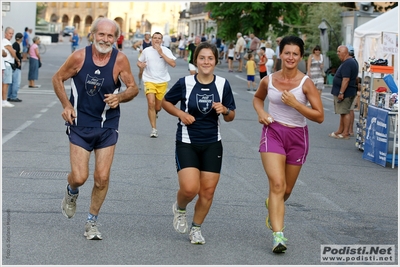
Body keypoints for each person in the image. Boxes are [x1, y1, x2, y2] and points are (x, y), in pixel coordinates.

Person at [52, 17, 139, 240]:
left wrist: (119, 97)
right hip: (80, 124)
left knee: (102, 177)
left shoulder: (120, 60)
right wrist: (66, 105)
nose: (105, 39)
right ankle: (72, 191)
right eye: (101, 34)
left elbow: (133, 89)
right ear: (93, 34)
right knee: (80, 177)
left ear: (116, 38)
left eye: (110, 35)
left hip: (107, 126)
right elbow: (58, 78)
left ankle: (92, 222)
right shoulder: (79, 57)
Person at [253, 36, 324, 253]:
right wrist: (262, 112)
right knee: (277, 184)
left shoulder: (306, 84)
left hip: (297, 137)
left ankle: (273, 205)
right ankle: (278, 236)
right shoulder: (269, 80)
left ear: (300, 57)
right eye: (287, 53)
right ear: (281, 54)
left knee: (287, 189)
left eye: (295, 53)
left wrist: (295, 104)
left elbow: (319, 116)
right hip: (273, 132)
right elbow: (257, 98)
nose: (291, 57)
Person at [162, 42, 236, 245]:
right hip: (187, 141)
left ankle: (196, 228)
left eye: (210, 58)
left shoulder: (222, 84)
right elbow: (166, 102)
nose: (206, 62)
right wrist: (181, 114)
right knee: (189, 189)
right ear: (196, 60)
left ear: (215, 61)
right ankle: (180, 207)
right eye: (202, 58)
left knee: (207, 192)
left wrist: (225, 110)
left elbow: (231, 116)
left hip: (213, 143)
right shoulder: (185, 82)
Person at [137, 32, 176, 138]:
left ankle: (156, 112)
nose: (157, 40)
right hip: (149, 80)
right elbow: (139, 62)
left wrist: (161, 53)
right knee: (151, 103)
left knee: (158, 107)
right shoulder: (146, 51)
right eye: (155, 38)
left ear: (162, 40)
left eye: (159, 38)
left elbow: (173, 64)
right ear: (152, 39)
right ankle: (154, 129)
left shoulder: (166, 51)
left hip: (162, 82)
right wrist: (141, 65)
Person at [328, 45, 358, 140]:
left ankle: (345, 133)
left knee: (345, 112)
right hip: (348, 91)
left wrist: (341, 92)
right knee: (342, 112)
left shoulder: (348, 63)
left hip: (346, 92)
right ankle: (340, 130)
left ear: (345, 53)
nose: (337, 53)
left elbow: (346, 79)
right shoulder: (350, 62)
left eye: (339, 51)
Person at [2, 26, 20, 108]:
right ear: (5, 33)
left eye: (12, 33)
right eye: (9, 33)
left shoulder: (5, 42)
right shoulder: (6, 42)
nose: (11, 35)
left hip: (6, 64)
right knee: (5, 83)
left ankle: (4, 100)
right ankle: (4, 100)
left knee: (6, 83)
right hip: (7, 64)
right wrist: (17, 59)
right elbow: (12, 53)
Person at [7, 32, 23, 102]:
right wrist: (18, 61)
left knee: (12, 82)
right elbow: (14, 53)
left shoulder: (14, 44)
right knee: (16, 82)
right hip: (16, 66)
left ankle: (10, 96)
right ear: (21, 38)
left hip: (13, 66)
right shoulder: (16, 45)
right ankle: (14, 96)